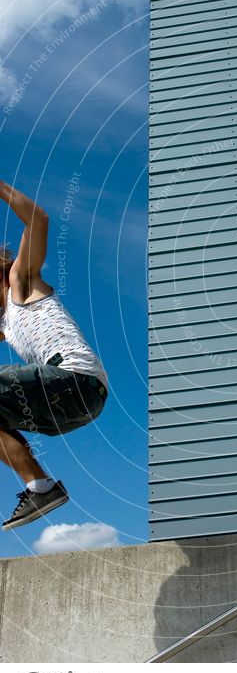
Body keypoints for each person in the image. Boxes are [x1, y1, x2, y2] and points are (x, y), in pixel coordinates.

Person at [0, 180, 108, 530]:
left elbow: (38, 219)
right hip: (71, 408)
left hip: (75, 381)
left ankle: (41, 487)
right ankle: (40, 487)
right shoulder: (5, 324)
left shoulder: (21, 279)